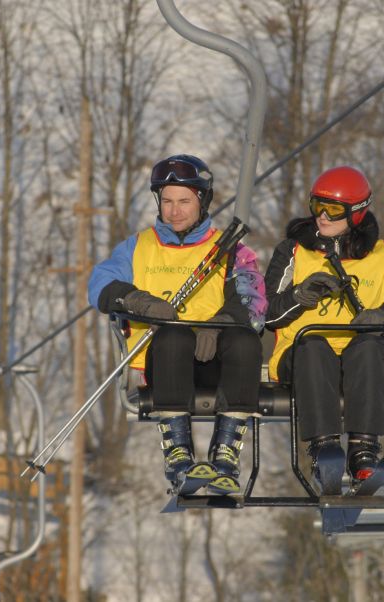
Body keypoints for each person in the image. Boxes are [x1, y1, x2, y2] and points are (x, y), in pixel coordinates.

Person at [89, 154, 266, 494]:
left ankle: (225, 453)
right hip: (163, 362)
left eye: (184, 201)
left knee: (245, 342)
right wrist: (139, 300)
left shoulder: (228, 250)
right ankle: (178, 453)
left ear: (202, 200)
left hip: (217, 360)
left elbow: (253, 299)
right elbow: (100, 283)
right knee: (173, 337)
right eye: (167, 201)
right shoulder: (138, 247)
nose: (175, 211)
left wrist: (221, 324)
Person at [264, 165, 384, 489]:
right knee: (313, 344)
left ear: (355, 213)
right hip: (300, 354)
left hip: (358, 354)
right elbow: (266, 312)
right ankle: (325, 450)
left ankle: (363, 453)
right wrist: (300, 296)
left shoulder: (382, 254)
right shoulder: (293, 251)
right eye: (317, 206)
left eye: (333, 210)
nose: (322, 217)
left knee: (371, 346)